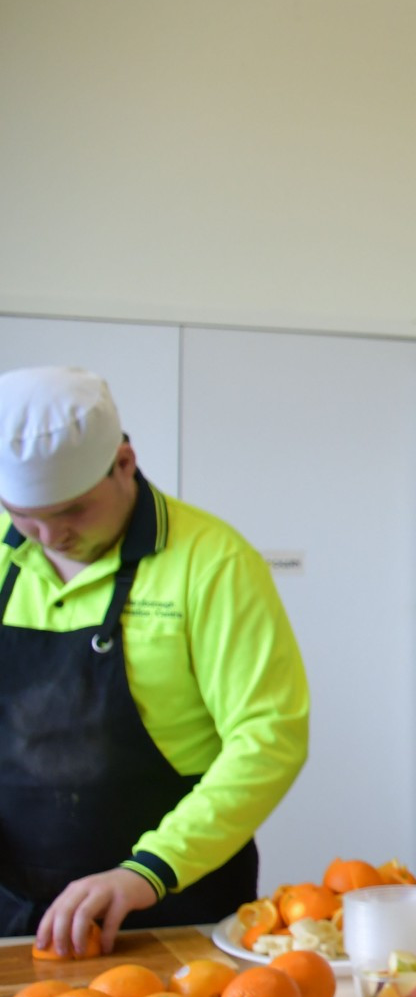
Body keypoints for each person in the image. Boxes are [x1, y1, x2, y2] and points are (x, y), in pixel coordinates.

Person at [0, 366, 309, 953]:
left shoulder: (212, 562)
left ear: (124, 462)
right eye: (24, 514)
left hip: (168, 904)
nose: (48, 536)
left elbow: (269, 738)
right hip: (12, 908)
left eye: (72, 511)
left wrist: (147, 871)